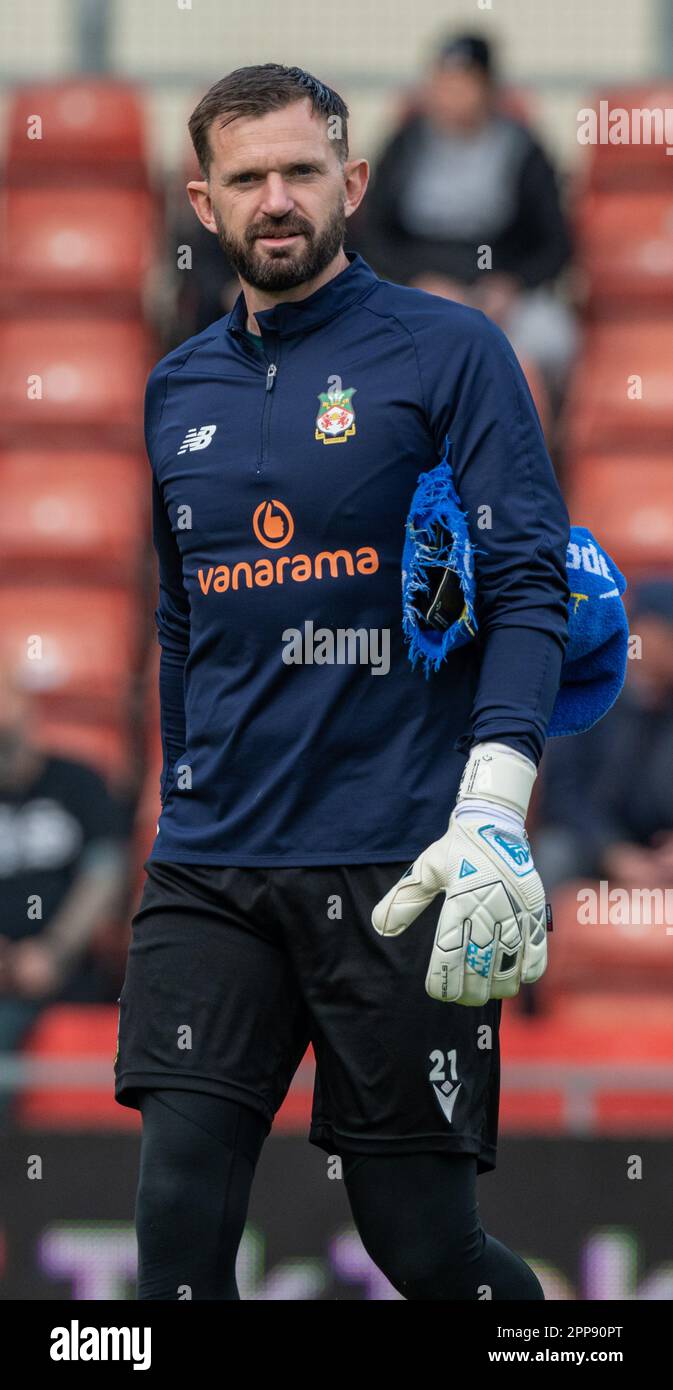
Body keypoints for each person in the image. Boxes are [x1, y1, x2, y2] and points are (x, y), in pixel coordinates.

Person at [114, 62, 569, 1301]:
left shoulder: (453, 352)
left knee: (423, 1247)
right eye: (245, 176)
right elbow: (181, 613)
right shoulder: (175, 389)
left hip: (402, 864)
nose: (276, 198)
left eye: (301, 171)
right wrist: (181, 790)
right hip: (215, 865)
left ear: (352, 183)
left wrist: (492, 805)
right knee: (174, 1228)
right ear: (200, 200)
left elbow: (527, 587)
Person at [352, 33, 577, 402]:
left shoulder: (522, 147)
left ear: (488, 88)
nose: (450, 93)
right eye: (442, 82)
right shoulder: (406, 143)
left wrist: (512, 285)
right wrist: (416, 281)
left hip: (502, 297)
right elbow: (372, 234)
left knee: (552, 342)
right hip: (416, 290)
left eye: (463, 83)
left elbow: (556, 243)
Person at [0, 660, 128, 1122]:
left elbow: (105, 876)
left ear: (27, 709)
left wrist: (53, 951)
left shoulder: (77, 783)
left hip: (66, 969)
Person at [534, 579, 673, 893]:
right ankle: (536, 942)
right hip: (596, 844)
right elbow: (563, 797)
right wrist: (612, 853)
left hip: (663, 850)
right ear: (646, 631)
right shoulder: (590, 693)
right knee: (555, 854)